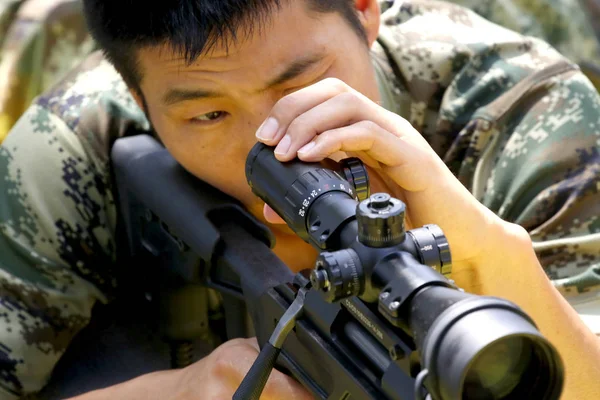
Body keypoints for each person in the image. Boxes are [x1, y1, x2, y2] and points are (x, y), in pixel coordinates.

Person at [1, 0, 600, 399]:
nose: (277, 142)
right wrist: (181, 391)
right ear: (134, 90)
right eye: (209, 113)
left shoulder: (523, 111)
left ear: (364, 8)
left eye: (301, 85)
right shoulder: (71, 147)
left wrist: (494, 254)